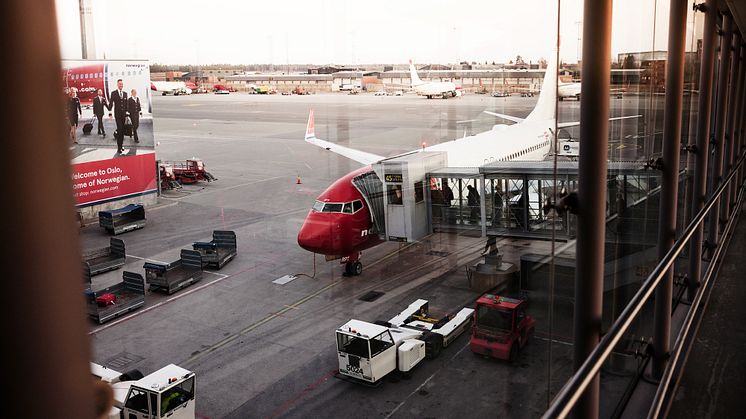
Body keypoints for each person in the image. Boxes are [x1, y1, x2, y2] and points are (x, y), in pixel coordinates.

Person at [109, 79, 127, 153]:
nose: (121, 85)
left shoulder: (125, 93)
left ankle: (122, 145)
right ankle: (119, 147)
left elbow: (126, 105)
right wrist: (110, 113)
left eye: (122, 84)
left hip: (124, 115)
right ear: (117, 84)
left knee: (122, 131)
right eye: (120, 84)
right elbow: (110, 104)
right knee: (119, 130)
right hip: (118, 115)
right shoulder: (113, 93)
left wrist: (127, 113)